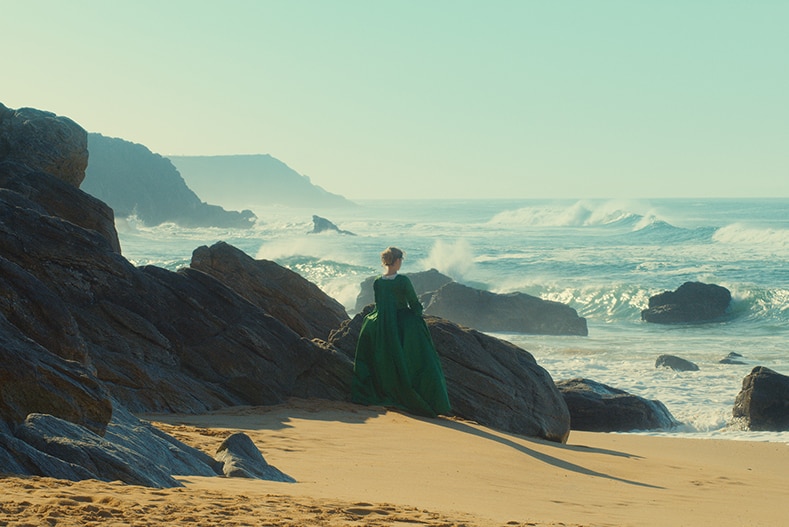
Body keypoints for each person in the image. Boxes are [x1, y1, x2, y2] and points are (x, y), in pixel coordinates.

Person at [351, 247, 451, 417]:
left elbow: (379, 305)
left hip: (383, 323)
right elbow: (413, 303)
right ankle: (430, 401)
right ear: (397, 261)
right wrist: (418, 316)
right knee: (425, 361)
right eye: (401, 260)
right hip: (402, 322)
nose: (401, 263)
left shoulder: (378, 281)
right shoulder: (403, 280)